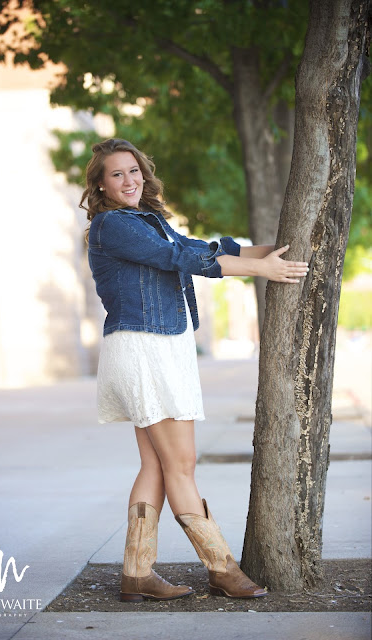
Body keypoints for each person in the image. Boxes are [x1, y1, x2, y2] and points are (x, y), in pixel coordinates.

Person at [81, 138, 308, 602]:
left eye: (134, 170)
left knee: (156, 464)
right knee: (181, 465)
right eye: (117, 174)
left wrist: (274, 251)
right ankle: (223, 569)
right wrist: (259, 271)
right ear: (101, 185)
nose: (129, 180)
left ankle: (137, 574)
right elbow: (180, 259)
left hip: (156, 347)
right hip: (145, 350)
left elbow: (203, 247)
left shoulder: (150, 222)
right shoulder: (113, 225)